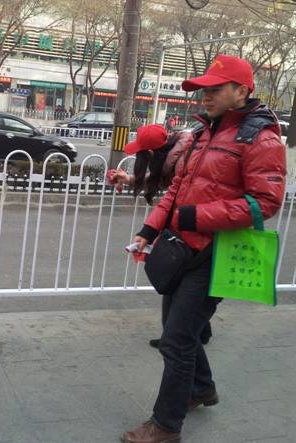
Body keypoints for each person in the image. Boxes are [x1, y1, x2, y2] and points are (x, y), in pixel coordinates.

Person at [121, 54, 286, 443]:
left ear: (242, 91)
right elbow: (177, 188)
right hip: (181, 247)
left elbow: (265, 202)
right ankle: (200, 388)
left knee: (176, 341)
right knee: (178, 331)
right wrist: (149, 229)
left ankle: (166, 426)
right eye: (202, 90)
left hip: (215, 254)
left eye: (214, 89)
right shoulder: (202, 133)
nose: (205, 97)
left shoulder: (261, 139)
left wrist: (196, 217)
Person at [108, 124, 214, 349]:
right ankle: (193, 333)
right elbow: (163, 185)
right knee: (178, 286)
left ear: (149, 153)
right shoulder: (173, 155)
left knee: (175, 285)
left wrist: (152, 230)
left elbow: (172, 196)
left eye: (140, 154)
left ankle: (177, 337)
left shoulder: (182, 157)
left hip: (195, 233)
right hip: (185, 229)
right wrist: (130, 180)